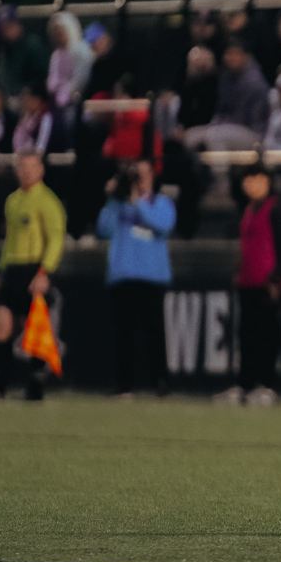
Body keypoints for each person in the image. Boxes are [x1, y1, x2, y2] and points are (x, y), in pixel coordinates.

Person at [0, 151, 65, 400]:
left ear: (40, 170)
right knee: (1, 323)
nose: (27, 172)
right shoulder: (13, 201)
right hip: (13, 269)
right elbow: (10, 241)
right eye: (23, 167)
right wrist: (0, 270)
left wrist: (45, 272)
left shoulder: (49, 202)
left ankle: (35, 385)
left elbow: (56, 239)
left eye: (31, 167)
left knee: (34, 329)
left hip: (34, 268)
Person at [97, 159, 175, 396]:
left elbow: (163, 224)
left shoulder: (161, 203)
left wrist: (138, 202)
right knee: (124, 334)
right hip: (123, 276)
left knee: (155, 333)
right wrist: (112, 198)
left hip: (152, 277)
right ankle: (124, 385)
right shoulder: (119, 206)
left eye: (142, 175)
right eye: (135, 175)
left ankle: (159, 382)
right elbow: (104, 229)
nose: (139, 180)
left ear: (152, 176)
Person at [217, 165, 281, 406]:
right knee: (247, 336)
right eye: (248, 180)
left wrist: (277, 279)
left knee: (267, 336)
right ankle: (245, 385)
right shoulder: (249, 209)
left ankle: (266, 385)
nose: (251, 184)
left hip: (267, 284)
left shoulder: (276, 209)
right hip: (248, 282)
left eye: (256, 179)